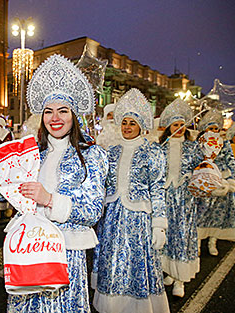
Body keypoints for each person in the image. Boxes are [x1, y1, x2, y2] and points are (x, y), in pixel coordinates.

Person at [0, 54, 108, 312]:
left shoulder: (92, 155)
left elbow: (93, 211)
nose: (55, 117)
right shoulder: (31, 153)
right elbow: (8, 193)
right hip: (28, 247)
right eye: (48, 111)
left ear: (74, 115)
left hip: (65, 251)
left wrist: (49, 199)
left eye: (63, 110)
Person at [92, 88, 169, 313]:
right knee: (113, 261)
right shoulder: (112, 151)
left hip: (138, 219)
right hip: (112, 217)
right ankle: (113, 305)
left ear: (141, 125)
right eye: (124, 122)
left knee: (136, 264)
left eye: (132, 123)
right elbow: (103, 184)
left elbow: (157, 189)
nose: (127, 126)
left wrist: (159, 226)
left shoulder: (153, 151)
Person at [158, 98, 203, 297]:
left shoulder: (193, 148)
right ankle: (169, 270)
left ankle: (180, 280)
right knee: (167, 234)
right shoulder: (161, 147)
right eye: (175, 125)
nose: (179, 128)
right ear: (169, 127)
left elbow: (202, 169)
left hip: (185, 198)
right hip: (166, 198)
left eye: (182, 125)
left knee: (182, 234)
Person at [196, 109, 235, 256]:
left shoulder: (224, 144)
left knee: (217, 215)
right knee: (200, 214)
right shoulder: (198, 144)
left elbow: (231, 163)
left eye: (216, 129)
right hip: (204, 183)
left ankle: (212, 242)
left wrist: (231, 181)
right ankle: (197, 243)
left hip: (221, 183)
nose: (213, 131)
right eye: (210, 128)